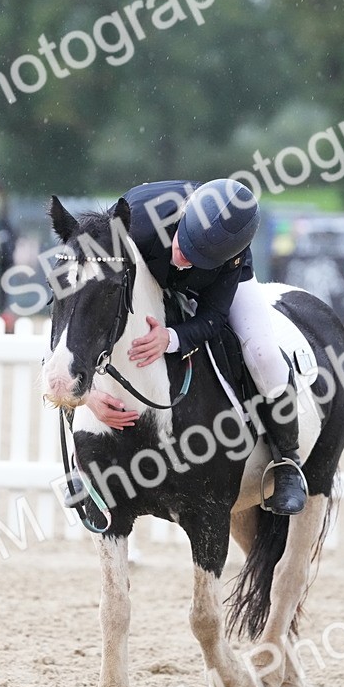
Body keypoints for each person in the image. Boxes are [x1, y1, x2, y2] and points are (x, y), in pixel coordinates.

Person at [85, 178, 307, 516]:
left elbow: (214, 316)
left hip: (212, 283)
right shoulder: (137, 219)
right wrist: (84, 394)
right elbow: (80, 295)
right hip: (143, 262)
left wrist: (170, 338)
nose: (183, 259)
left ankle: (288, 461)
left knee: (264, 355)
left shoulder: (229, 257)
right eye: (184, 245)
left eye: (196, 258)